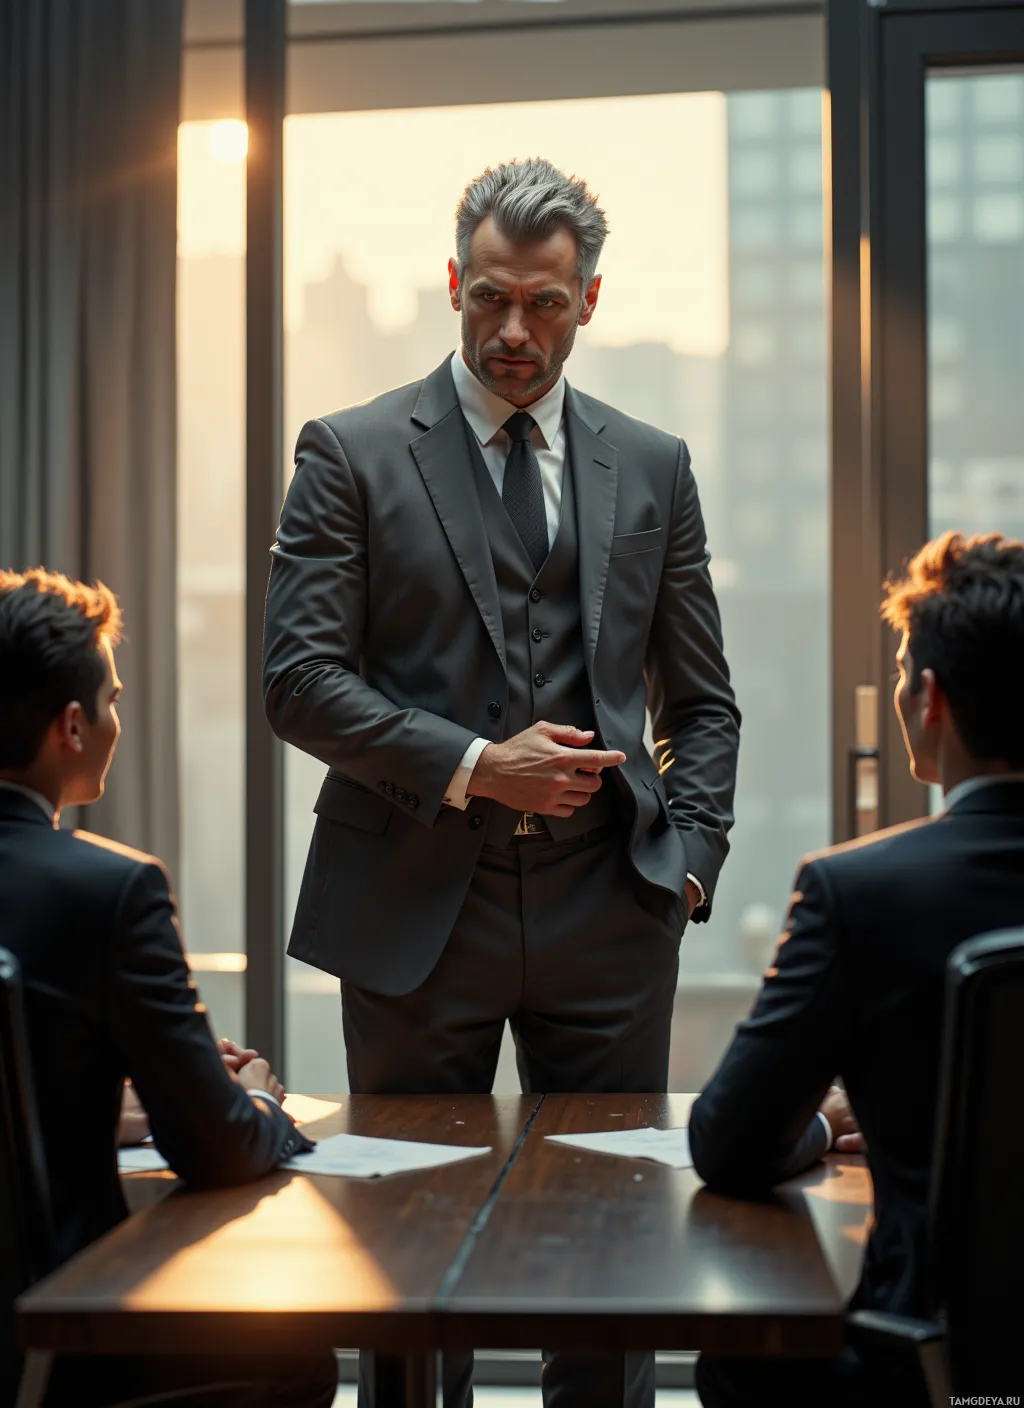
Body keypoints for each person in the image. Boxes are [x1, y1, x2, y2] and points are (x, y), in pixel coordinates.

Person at [263, 156, 742, 1408]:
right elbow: (298, 681)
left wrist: (685, 868)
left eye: (542, 303)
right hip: (416, 911)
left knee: (606, 1253)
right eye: (487, 299)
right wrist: (477, 767)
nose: (512, 331)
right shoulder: (351, 453)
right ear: (452, 285)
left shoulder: (651, 465)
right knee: (406, 1259)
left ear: (589, 298)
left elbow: (700, 703)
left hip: (609, 912)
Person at [689, 530, 1024, 1407]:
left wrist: (836, 1116)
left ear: (932, 701)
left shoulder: (859, 891)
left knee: (737, 1359)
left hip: (936, 1365)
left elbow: (728, 1146)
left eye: (907, 672)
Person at [0, 568, 337, 1408]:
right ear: (71, 726)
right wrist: (254, 1097)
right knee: (298, 1352)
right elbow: (217, 1148)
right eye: (111, 702)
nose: (119, 721)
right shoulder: (109, 891)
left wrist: (108, 1110)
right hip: (50, 1338)